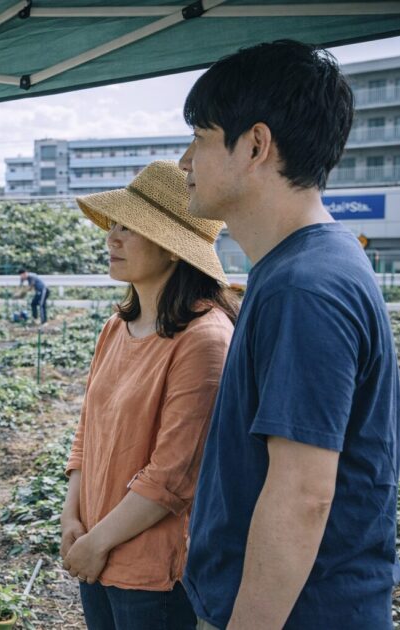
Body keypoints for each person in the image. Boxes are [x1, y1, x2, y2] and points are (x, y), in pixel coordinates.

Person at [180, 41, 400, 629]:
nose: (184, 163)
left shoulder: (304, 286)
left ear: (255, 145)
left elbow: (303, 495)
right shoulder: (300, 267)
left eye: (199, 139)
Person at [61, 160, 238, 630]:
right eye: (113, 225)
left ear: (174, 249)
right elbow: (87, 433)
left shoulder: (205, 338)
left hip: (152, 571)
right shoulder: (116, 326)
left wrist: (97, 542)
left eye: (130, 227)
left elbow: (172, 477)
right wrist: (71, 519)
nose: (111, 238)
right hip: (95, 547)